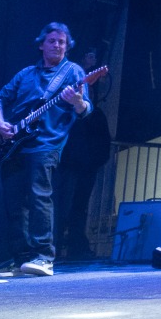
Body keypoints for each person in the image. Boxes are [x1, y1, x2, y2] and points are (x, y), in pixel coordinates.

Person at [0, 22, 92, 276]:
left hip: (47, 144)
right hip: (15, 145)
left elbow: (85, 110)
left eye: (62, 42)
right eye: (53, 41)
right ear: (41, 44)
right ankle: (21, 259)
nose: (58, 45)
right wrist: (1, 124)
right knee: (14, 203)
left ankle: (43, 256)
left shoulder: (73, 72)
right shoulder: (26, 74)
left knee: (39, 197)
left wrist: (78, 100)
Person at [54, 46, 113, 260]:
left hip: (85, 166)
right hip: (69, 165)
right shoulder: (67, 111)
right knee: (63, 207)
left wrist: (95, 163)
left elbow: (101, 142)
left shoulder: (95, 114)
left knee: (78, 209)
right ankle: (57, 247)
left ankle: (75, 248)